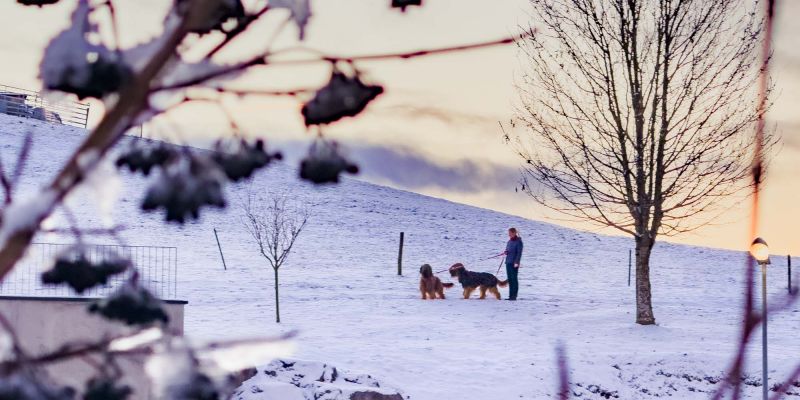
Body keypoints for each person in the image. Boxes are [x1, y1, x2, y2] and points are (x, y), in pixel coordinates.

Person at [503, 227, 523, 300]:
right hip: (508, 262)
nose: (509, 235)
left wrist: (517, 262)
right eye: (508, 233)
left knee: (514, 279)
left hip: (514, 263)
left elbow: (519, 253)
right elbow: (507, 250)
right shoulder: (509, 241)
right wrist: (506, 252)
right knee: (510, 279)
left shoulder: (519, 242)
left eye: (510, 233)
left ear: (514, 233)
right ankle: (510, 296)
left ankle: (514, 296)